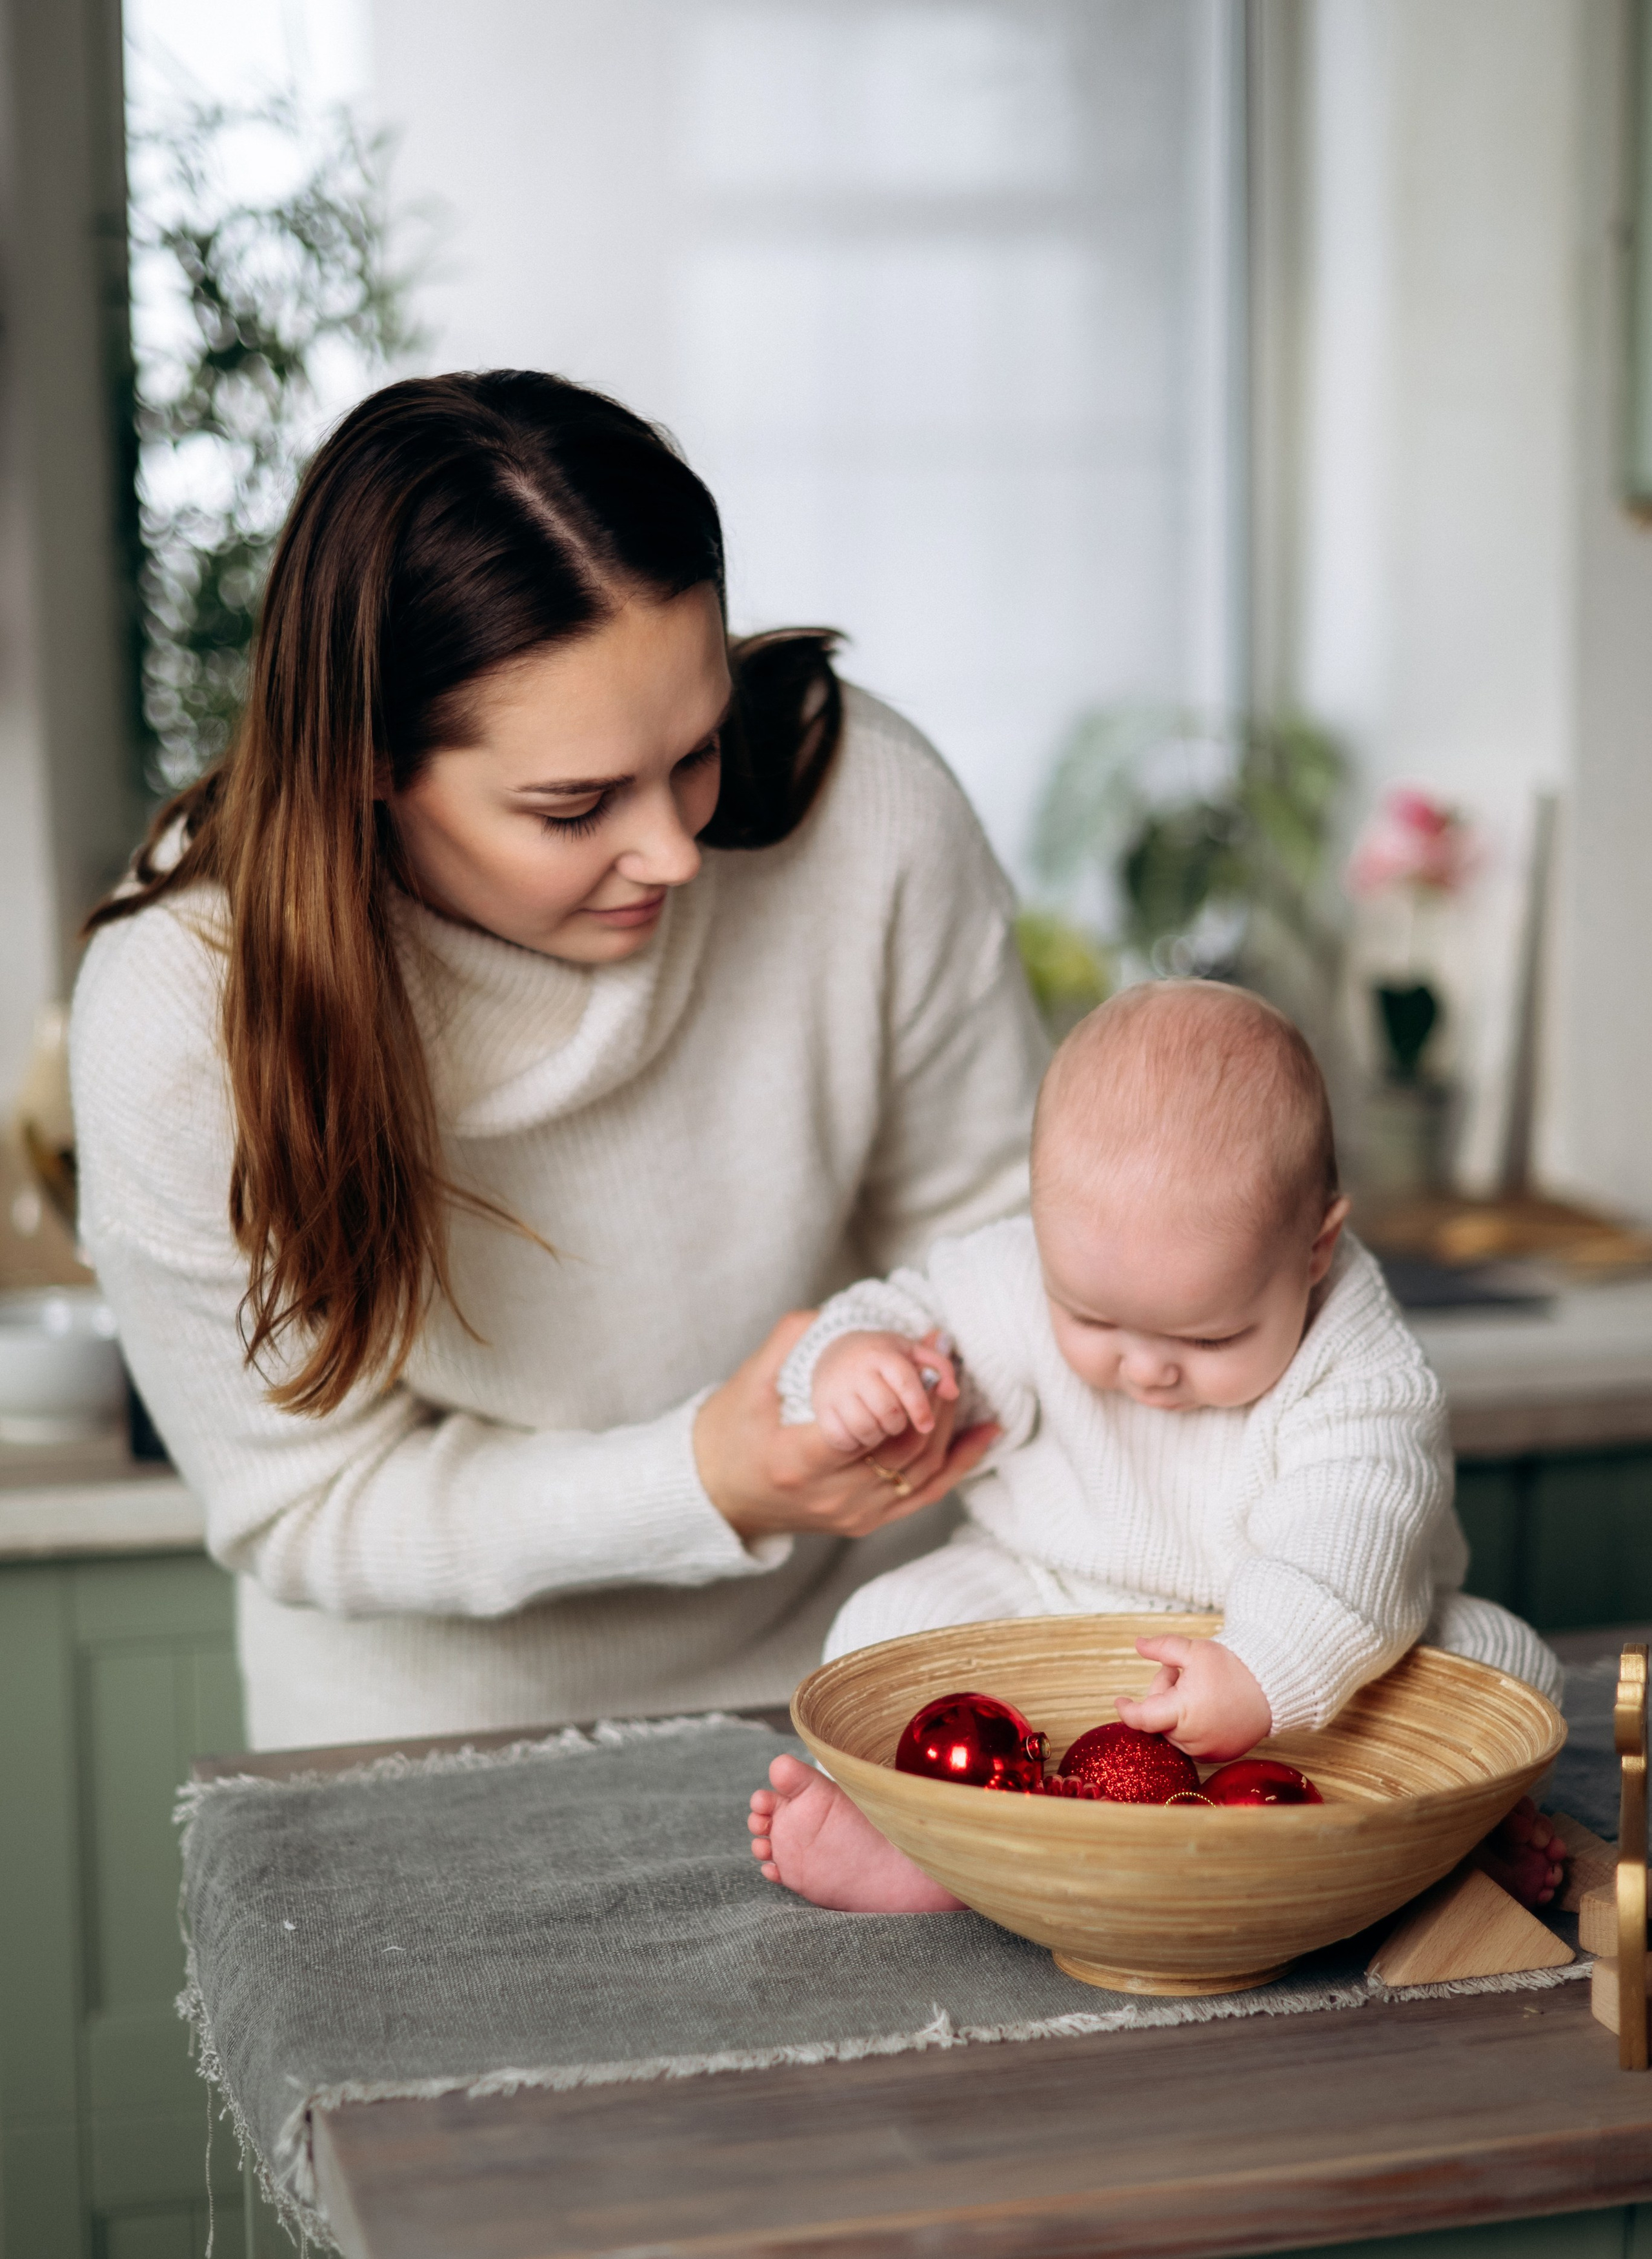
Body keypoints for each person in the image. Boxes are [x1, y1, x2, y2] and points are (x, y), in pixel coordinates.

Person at [70, 371, 1047, 1749]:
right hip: (410, 1753)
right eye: (573, 805)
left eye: (697, 752)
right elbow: (304, 1504)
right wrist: (704, 1478)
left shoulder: (868, 814)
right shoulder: (182, 1010)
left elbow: (1008, 1259)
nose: (671, 852)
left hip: (860, 1690)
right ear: (365, 759)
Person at [747, 981, 1566, 1911]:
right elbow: (899, 1310)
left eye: (1208, 1339)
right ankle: (935, 1850)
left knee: (1509, 1667)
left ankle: (1442, 1847)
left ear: (1315, 1248)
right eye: (1090, 1317)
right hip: (1048, 1596)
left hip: (1302, 1651)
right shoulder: (1017, 1273)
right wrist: (853, 1363)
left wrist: (1264, 1666)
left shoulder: (1363, 1368)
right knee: (878, 1630)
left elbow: (1352, 1535)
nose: (1144, 1370)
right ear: (1044, 1229)